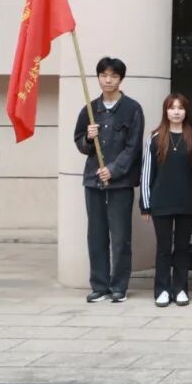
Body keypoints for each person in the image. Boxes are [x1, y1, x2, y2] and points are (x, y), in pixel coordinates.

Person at [74, 57, 145, 303]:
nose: (108, 80)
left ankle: (119, 286)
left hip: (120, 183)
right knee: (96, 235)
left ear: (120, 79)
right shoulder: (90, 109)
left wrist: (113, 170)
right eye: (104, 75)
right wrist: (87, 137)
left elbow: (133, 147)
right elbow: (80, 143)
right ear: (98, 78)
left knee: (121, 237)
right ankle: (99, 285)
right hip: (93, 181)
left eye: (113, 76)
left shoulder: (132, 109)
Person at [140, 94, 192, 308]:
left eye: (180, 108)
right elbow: (147, 173)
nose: (176, 112)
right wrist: (145, 205)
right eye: (172, 108)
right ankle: (163, 290)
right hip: (161, 202)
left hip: (185, 201)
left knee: (182, 248)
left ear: (186, 111)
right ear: (165, 111)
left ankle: (181, 289)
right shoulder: (155, 138)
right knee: (164, 248)